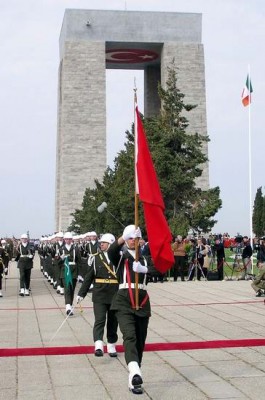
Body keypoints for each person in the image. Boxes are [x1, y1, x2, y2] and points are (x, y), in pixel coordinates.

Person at [108, 224, 154, 395]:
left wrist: (145, 269)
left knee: (140, 339)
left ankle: (134, 375)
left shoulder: (145, 255)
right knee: (129, 336)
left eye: (135, 238)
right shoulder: (120, 256)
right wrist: (122, 236)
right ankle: (135, 371)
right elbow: (111, 251)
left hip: (142, 299)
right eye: (130, 238)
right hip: (123, 300)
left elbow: (160, 268)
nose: (133, 241)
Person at [76, 233, 119, 357]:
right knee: (100, 320)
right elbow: (89, 277)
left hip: (114, 293)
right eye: (101, 243)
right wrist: (81, 293)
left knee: (113, 321)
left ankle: (111, 345)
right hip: (99, 293)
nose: (101, 244)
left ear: (110, 244)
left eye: (104, 243)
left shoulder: (119, 258)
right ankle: (98, 345)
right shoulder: (95, 258)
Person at [59, 232, 81, 315]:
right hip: (65, 270)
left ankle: (70, 305)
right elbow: (57, 263)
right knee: (67, 288)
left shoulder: (76, 249)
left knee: (72, 289)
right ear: (64, 240)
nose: (68, 240)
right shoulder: (61, 249)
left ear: (71, 240)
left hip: (74, 271)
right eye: (66, 239)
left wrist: (79, 274)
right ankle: (67, 306)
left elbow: (79, 261)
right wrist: (61, 258)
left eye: (69, 239)